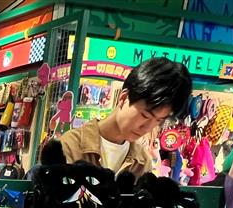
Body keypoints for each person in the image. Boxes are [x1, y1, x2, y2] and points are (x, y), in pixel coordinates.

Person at [57, 57, 192, 178]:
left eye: (158, 121)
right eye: (145, 115)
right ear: (123, 98)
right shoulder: (70, 147)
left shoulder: (142, 163)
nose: (147, 128)